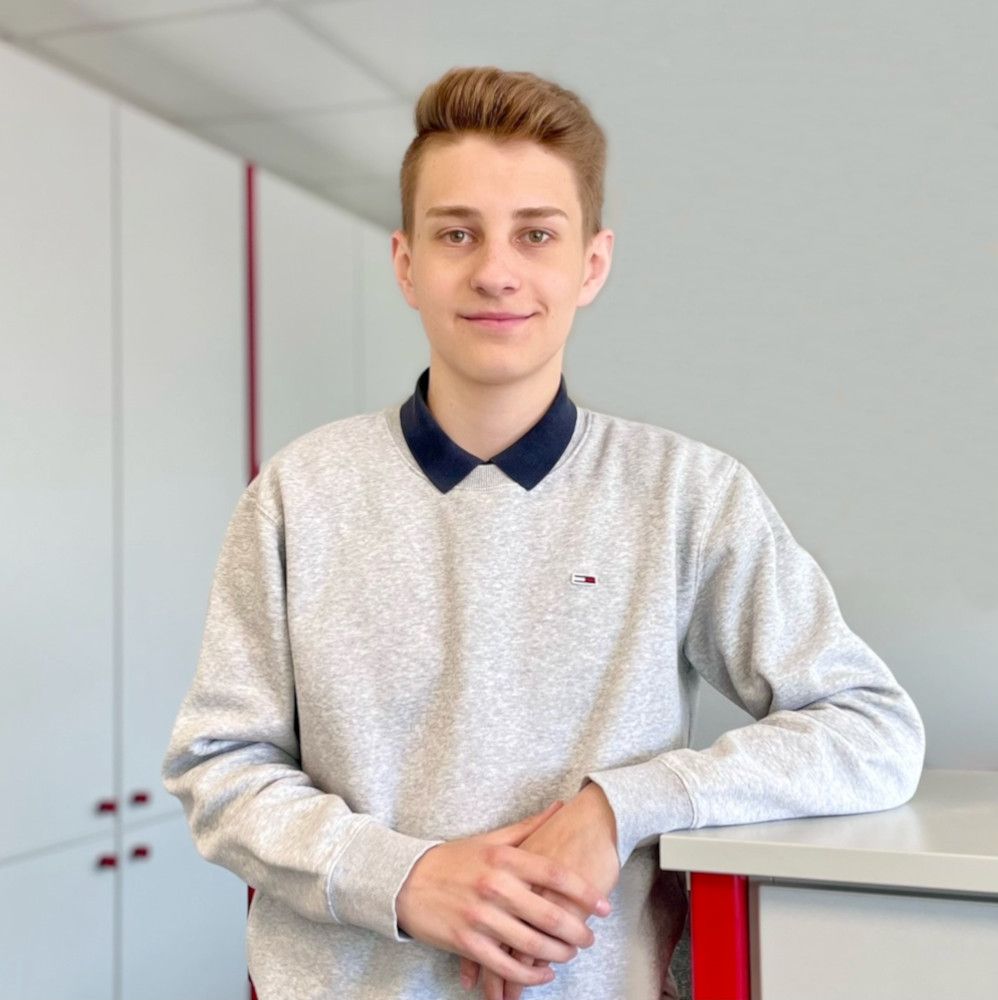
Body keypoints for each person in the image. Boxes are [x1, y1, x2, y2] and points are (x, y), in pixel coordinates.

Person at [161, 65, 926, 1000]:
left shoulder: (687, 494)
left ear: (590, 265)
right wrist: (405, 879)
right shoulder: (298, 495)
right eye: (457, 233)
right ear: (406, 263)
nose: (495, 270)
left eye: (536, 234)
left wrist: (617, 808)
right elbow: (219, 768)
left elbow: (872, 730)